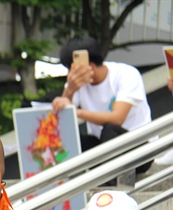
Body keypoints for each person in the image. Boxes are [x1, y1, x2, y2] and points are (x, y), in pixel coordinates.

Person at [52, 37, 153, 173]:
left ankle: (106, 185)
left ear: (91, 67)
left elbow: (118, 118)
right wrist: (69, 90)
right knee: (69, 138)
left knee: (110, 129)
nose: (71, 75)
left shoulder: (126, 74)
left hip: (138, 149)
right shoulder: (75, 83)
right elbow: (62, 122)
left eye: (73, 69)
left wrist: (77, 112)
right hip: (103, 147)